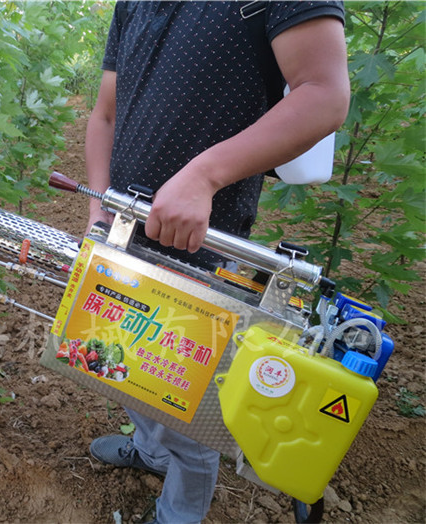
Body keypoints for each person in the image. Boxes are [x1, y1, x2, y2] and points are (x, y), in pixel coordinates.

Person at [85, 2, 350, 523]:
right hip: (120, 226)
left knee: (185, 397)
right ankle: (151, 450)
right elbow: (106, 113)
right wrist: (98, 206)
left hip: (205, 242)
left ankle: (177, 511)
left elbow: (324, 93)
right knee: (116, 357)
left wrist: (204, 176)